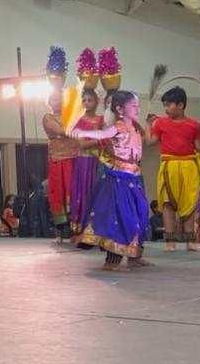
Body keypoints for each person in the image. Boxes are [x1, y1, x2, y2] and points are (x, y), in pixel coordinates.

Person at [71, 91, 151, 271]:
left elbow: (145, 141)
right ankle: (112, 261)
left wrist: (149, 123)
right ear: (119, 109)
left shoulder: (136, 126)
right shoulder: (118, 126)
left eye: (137, 105)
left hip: (134, 176)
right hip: (118, 178)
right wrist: (82, 131)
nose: (137, 108)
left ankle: (134, 255)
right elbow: (101, 134)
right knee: (121, 217)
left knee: (140, 214)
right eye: (133, 105)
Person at [146, 86, 200, 252]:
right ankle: (170, 242)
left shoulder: (193, 124)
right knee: (168, 204)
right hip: (169, 166)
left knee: (189, 204)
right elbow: (151, 142)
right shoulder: (160, 123)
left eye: (169, 105)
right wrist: (148, 124)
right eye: (164, 106)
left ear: (181, 105)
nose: (166, 109)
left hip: (189, 167)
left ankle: (190, 242)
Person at [42, 91, 78, 244]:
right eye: (54, 99)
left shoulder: (71, 115)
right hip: (57, 158)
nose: (57, 102)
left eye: (60, 99)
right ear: (49, 102)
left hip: (74, 157)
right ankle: (59, 231)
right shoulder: (48, 117)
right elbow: (61, 131)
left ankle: (75, 230)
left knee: (74, 192)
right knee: (58, 193)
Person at [69, 88, 104, 243]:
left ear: (97, 101)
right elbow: (82, 144)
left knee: (98, 195)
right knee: (83, 194)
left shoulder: (102, 120)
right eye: (84, 100)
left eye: (90, 100)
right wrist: (99, 138)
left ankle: (97, 232)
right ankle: (80, 232)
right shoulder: (79, 121)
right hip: (83, 163)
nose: (87, 103)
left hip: (99, 162)